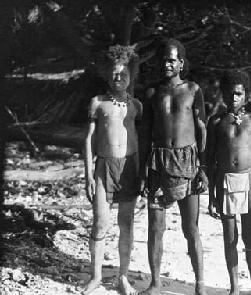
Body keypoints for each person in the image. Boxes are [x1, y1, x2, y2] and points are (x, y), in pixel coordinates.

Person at [139, 38, 208, 295]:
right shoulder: (152, 92)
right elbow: (145, 132)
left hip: (188, 162)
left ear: (181, 63)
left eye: (172, 59)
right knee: (156, 227)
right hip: (158, 163)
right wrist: (143, 170)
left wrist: (203, 167)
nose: (167, 64)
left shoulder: (193, 89)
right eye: (163, 59)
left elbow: (202, 129)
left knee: (191, 227)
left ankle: (200, 285)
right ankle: (156, 283)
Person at [83, 45, 142, 295]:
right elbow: (88, 140)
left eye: (124, 74)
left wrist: (142, 173)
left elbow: (141, 139)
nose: (119, 77)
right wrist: (88, 175)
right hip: (103, 168)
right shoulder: (97, 103)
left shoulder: (136, 106)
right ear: (108, 75)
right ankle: (96, 276)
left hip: (129, 168)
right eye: (115, 73)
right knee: (100, 224)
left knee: (126, 224)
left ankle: (123, 277)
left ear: (131, 77)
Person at [206, 71, 251, 295]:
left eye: (238, 93)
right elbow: (210, 160)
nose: (234, 97)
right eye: (229, 93)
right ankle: (234, 288)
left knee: (250, 234)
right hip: (224, 182)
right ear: (222, 94)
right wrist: (211, 196)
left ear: (246, 95)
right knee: (230, 235)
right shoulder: (216, 122)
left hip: (248, 181)